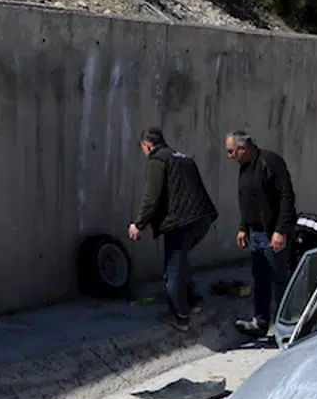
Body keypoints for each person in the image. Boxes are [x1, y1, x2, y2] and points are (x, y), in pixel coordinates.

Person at [128, 127, 218, 332]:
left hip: (181, 222)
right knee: (180, 261)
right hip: (202, 218)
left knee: (172, 271)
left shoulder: (157, 159)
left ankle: (181, 318)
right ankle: (191, 302)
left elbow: (152, 196)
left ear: (147, 145)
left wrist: (139, 224)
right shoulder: (183, 158)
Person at [225, 130, 298, 338]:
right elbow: (246, 199)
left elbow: (287, 197)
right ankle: (261, 322)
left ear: (243, 148)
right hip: (255, 233)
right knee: (260, 279)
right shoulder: (245, 166)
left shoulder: (270, 162)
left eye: (231, 151)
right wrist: (243, 227)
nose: (229, 156)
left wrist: (280, 231)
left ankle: (289, 325)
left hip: (272, 233)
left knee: (280, 279)